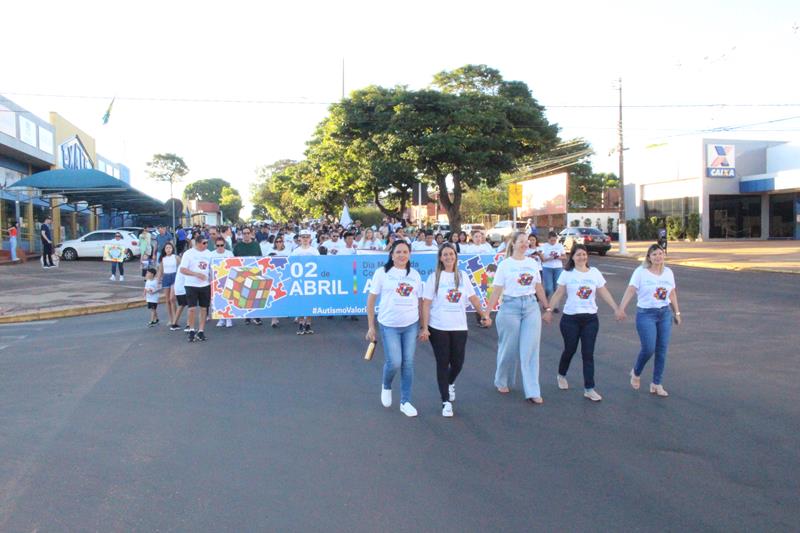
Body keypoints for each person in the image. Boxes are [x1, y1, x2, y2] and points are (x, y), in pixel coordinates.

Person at [419, 244, 491, 417]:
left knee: (458, 362)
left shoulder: (462, 276)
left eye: (451, 254)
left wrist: (484, 315)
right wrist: (424, 328)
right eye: (445, 254)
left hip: (459, 326)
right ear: (440, 258)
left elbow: (473, 298)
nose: (448, 257)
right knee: (442, 363)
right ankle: (445, 402)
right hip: (438, 327)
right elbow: (426, 304)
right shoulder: (434, 277)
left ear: (456, 257)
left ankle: (450, 383)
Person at [545, 244, 621, 402]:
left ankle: (589, 388)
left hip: (590, 319)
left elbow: (603, 291)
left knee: (588, 354)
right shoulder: (567, 274)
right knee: (570, 349)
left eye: (584, 254)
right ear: (572, 257)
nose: (582, 257)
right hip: (570, 318)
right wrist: (549, 310)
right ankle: (561, 374)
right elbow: (558, 293)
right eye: (578, 254)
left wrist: (616, 308)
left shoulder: (594, 273)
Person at [485, 232, 550, 404]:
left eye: (527, 241)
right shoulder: (505, 265)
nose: (524, 244)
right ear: (513, 244)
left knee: (530, 349)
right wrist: (487, 312)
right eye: (521, 241)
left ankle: (533, 390)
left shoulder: (532, 263)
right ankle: (502, 380)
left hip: (530, 307)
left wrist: (547, 306)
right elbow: (497, 290)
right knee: (508, 348)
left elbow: (538, 287)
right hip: (510, 307)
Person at [366, 240, 423, 417]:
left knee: (408, 363)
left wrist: (423, 326)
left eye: (405, 252)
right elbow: (371, 300)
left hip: (411, 324)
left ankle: (405, 401)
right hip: (389, 325)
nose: (401, 255)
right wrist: (370, 327)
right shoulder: (382, 273)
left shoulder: (414, 274)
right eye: (398, 252)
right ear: (392, 254)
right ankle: (386, 385)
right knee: (395, 362)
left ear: (410, 254)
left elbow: (420, 300)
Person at [616, 244, 682, 397]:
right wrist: (621, 308)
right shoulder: (641, 272)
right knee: (649, 348)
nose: (658, 257)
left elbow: (672, 293)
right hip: (646, 314)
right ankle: (636, 372)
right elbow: (631, 290)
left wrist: (677, 312)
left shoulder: (668, 272)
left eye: (660, 253)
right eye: (654, 254)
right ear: (649, 257)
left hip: (664, 313)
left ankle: (656, 383)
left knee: (662, 350)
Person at [179, 235, 213, 342]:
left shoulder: (209, 254)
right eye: (204, 243)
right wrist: (196, 274)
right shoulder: (189, 254)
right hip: (191, 284)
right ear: (197, 243)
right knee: (192, 308)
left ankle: (201, 331)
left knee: (204, 308)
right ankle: (192, 330)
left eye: (207, 243)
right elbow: (183, 269)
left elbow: (212, 268)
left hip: (205, 285)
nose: (206, 245)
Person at [291, 230, 320, 334]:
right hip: (299, 280)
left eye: (307, 237)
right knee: (300, 302)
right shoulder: (296, 251)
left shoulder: (314, 251)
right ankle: (300, 323)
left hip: (311, 280)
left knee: (310, 302)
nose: (305, 239)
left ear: (310, 238)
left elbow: (319, 264)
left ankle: (308, 323)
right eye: (303, 237)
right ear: (300, 238)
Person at [211, 237, 234, 328]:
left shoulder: (229, 253)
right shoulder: (211, 254)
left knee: (228, 299)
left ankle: (229, 318)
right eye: (218, 245)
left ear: (224, 245)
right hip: (216, 280)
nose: (220, 247)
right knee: (218, 300)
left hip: (228, 279)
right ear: (215, 245)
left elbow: (233, 265)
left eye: (221, 245)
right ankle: (221, 318)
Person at [539, 231, 566, 304]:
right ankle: (546, 296)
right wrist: (549, 258)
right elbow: (542, 259)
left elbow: (564, 257)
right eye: (551, 240)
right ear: (548, 239)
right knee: (548, 288)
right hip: (547, 267)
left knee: (556, 288)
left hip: (558, 268)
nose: (553, 242)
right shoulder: (544, 246)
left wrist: (558, 257)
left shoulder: (560, 246)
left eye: (555, 240)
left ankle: (555, 305)